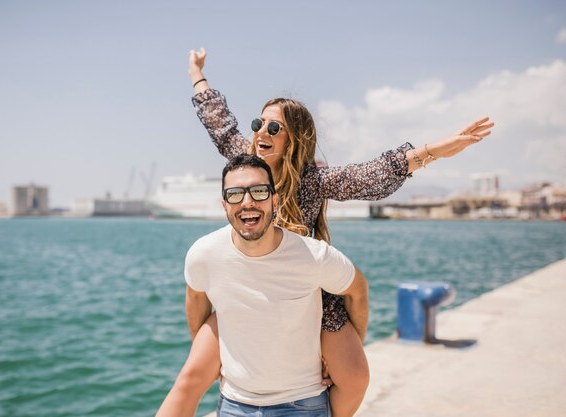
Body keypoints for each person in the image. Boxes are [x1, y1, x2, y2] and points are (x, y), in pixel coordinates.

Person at [157, 48, 494, 417]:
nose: (260, 133)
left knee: (353, 377)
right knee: (191, 377)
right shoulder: (244, 159)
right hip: (248, 287)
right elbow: (217, 120)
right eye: (259, 124)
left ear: (294, 139)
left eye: (274, 127)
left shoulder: (313, 180)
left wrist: (436, 150)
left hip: (308, 291)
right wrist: (196, 73)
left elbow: (373, 173)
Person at [181, 154, 367, 416]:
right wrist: (205, 353)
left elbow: (357, 290)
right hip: (234, 403)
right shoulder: (203, 254)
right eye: (235, 194)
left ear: (274, 200)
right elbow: (196, 296)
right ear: (224, 205)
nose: (247, 202)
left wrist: (348, 350)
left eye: (258, 192)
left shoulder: (313, 256)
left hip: (302, 403)